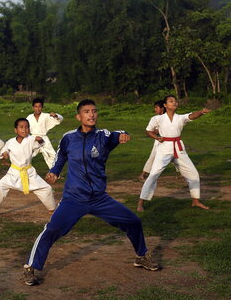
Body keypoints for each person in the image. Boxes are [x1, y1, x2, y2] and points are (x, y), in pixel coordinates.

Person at [23, 99, 158, 286]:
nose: (91, 114)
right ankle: (31, 267)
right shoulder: (69, 137)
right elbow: (61, 156)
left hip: (99, 198)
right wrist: (54, 171)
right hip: (74, 198)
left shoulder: (103, 136)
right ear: (79, 116)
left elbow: (117, 133)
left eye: (94, 111)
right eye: (86, 112)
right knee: (52, 229)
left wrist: (124, 135)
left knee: (133, 221)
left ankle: (141, 256)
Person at [137, 95, 210, 212]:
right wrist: (157, 137)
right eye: (171, 101)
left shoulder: (180, 118)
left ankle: (195, 201)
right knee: (153, 174)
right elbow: (148, 130)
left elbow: (192, 116)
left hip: (178, 148)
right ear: (165, 105)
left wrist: (202, 112)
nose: (174, 103)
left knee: (193, 174)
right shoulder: (157, 119)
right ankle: (141, 202)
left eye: (175, 101)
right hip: (164, 148)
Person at [0, 118, 56, 219]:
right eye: (21, 127)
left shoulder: (31, 140)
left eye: (27, 127)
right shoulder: (10, 142)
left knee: (46, 188)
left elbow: (41, 143)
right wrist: (4, 154)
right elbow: (4, 150)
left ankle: (52, 210)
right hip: (13, 173)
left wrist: (40, 140)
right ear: (16, 130)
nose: (24, 130)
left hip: (29, 172)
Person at [26, 98, 63, 169]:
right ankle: (21, 170)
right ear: (33, 107)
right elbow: (25, 128)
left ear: (42, 107)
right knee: (26, 154)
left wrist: (56, 115)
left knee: (53, 156)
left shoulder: (46, 116)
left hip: (44, 138)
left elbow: (60, 119)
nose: (37, 108)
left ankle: (54, 173)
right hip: (33, 138)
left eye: (39, 106)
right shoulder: (29, 117)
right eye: (36, 106)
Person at [138, 100, 166, 180]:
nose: (155, 109)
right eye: (155, 107)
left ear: (162, 108)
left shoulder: (170, 117)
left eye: (156, 107)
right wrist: (157, 132)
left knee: (177, 158)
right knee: (152, 157)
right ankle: (143, 174)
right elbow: (148, 131)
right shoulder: (155, 118)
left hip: (171, 141)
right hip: (159, 141)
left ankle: (185, 174)